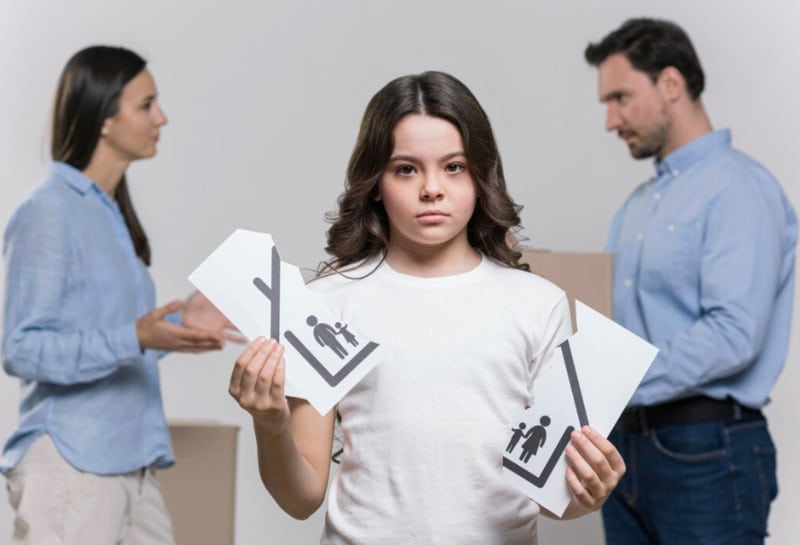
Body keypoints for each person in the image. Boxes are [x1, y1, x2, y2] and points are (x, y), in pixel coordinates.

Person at [228, 70, 625, 544]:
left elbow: (552, 497)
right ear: (376, 182)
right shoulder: (326, 305)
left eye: (453, 166)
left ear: (481, 174)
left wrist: (588, 490)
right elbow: (301, 498)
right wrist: (269, 425)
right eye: (406, 169)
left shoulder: (537, 304)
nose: (431, 188)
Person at [1, 45, 242, 545]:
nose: (162, 117)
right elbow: (22, 349)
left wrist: (181, 324)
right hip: (72, 464)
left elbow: (116, 335)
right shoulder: (49, 211)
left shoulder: (110, 217)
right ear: (104, 117)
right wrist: (135, 336)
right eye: (146, 104)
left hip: (132, 465)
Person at [584, 18, 798, 545]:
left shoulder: (740, 189)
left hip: (704, 450)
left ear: (671, 85)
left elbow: (733, 334)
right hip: (622, 448)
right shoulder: (634, 209)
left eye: (621, 97)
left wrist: (615, 382)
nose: (611, 121)